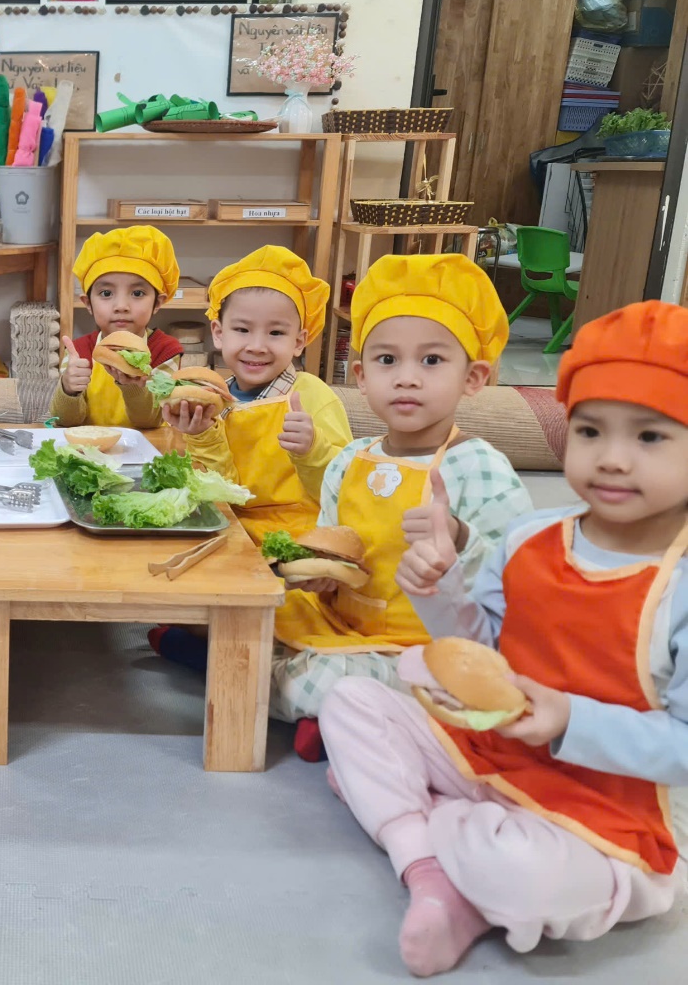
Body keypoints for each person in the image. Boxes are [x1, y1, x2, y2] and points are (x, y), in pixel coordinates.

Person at [321, 301, 688, 976]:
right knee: (350, 701)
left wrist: (568, 720)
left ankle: (418, 825)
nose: (612, 459)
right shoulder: (530, 538)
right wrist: (439, 588)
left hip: (604, 811)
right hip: (483, 753)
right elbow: (482, 654)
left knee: (524, 872)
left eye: (649, 437)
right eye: (589, 431)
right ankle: (431, 871)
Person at [273, 254, 533, 761]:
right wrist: (320, 577)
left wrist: (459, 538)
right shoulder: (349, 459)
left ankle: (325, 712)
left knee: (320, 680)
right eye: (387, 360)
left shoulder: (480, 467)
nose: (406, 378)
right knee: (247, 617)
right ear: (360, 375)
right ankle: (323, 710)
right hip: (340, 625)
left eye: (431, 361)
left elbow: (519, 580)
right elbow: (334, 552)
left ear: (474, 377)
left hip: (424, 648)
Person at [150, 246, 351, 668]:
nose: (257, 346)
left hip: (298, 540)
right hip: (233, 535)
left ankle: (230, 660)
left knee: (288, 611)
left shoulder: (313, 396)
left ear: (300, 341)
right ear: (219, 333)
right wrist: (199, 436)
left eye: (276, 333)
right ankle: (222, 649)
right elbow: (216, 494)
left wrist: (312, 450)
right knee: (168, 589)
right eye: (242, 330)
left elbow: (345, 493)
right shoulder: (210, 398)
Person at [53, 226, 183, 430]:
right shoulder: (78, 352)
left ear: (158, 303)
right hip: (90, 448)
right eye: (106, 293)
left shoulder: (165, 351)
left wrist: (133, 386)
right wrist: (69, 389)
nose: (121, 306)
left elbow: (150, 421)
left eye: (137, 293)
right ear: (88, 303)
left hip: (148, 448)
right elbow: (65, 421)